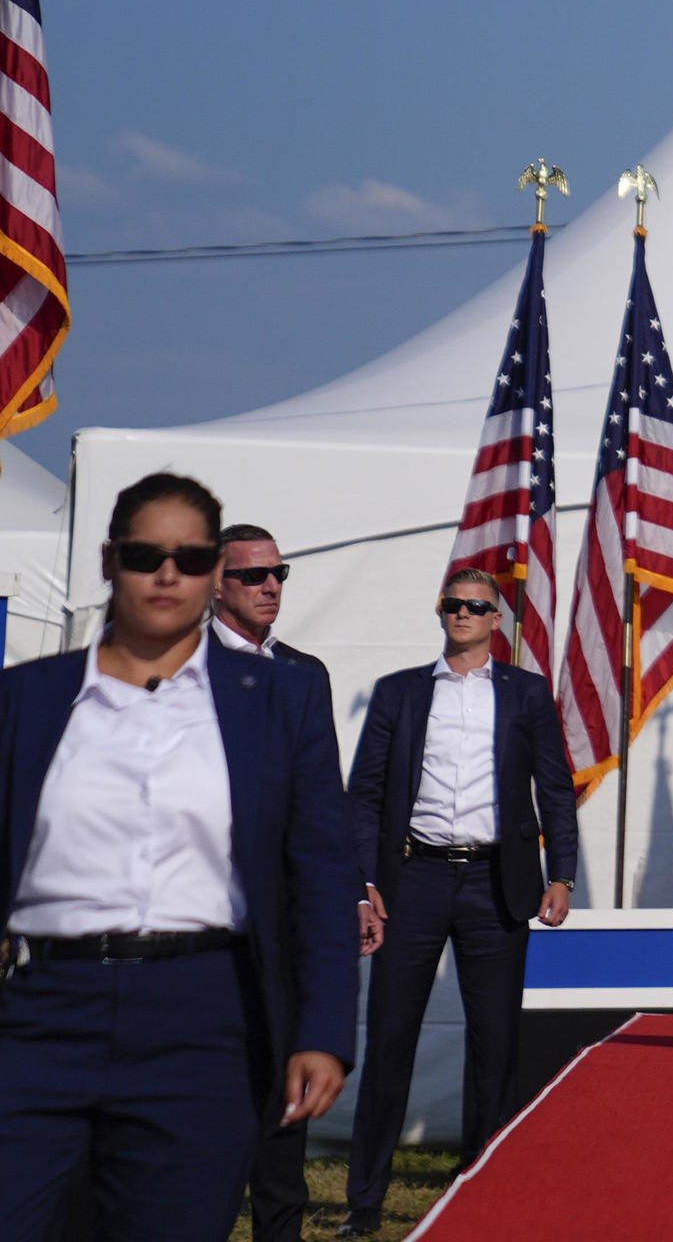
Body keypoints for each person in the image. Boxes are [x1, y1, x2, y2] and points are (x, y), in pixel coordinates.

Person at [0, 473, 355, 1242]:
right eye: (144, 554)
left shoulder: (279, 700)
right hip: (43, 1006)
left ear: (210, 576)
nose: (168, 575)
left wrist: (323, 1027)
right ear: (108, 561)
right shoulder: (24, 698)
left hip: (204, 1016)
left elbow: (322, 873)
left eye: (190, 559)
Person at [338, 564, 576, 1236]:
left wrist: (563, 874)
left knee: (496, 1044)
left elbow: (554, 788)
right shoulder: (400, 694)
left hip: (497, 885)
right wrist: (364, 884)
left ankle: (484, 1192)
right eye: (454, 604)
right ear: (440, 612)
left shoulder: (528, 695)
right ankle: (364, 1205)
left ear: (498, 621)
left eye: (477, 606)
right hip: (412, 882)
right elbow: (365, 794)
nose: (464, 614)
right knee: (389, 1039)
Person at [212, 523, 336, 1242]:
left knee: (284, 1098)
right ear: (216, 584)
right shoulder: (182, 665)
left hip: (286, 926)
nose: (271, 588)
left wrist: (349, 890)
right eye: (255, 576)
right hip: (204, 924)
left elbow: (324, 800)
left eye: (280, 574)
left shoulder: (304, 673)